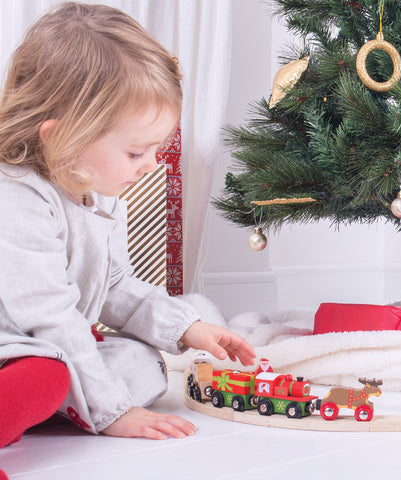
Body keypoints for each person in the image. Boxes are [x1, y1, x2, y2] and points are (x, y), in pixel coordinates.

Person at [0, 0, 256, 457]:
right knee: (48, 373)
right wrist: (114, 411)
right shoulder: (15, 194)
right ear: (61, 137)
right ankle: (56, 401)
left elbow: (115, 285)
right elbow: (49, 317)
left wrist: (187, 328)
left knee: (144, 361)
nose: (151, 165)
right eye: (136, 153)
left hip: (48, 346)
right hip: (20, 347)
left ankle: (60, 403)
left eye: (156, 149)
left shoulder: (95, 188)